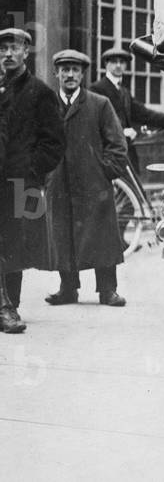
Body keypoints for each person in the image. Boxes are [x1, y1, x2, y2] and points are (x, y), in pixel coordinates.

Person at [44, 50, 129, 307]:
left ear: (82, 74)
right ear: (56, 73)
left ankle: (108, 290)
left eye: (75, 70)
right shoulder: (47, 106)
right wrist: (44, 175)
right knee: (62, 233)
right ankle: (68, 289)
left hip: (93, 183)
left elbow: (117, 144)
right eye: (65, 70)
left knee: (102, 235)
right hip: (58, 182)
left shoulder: (99, 104)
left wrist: (105, 172)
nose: (70, 75)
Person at [0, 28, 64, 334]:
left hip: (19, 182)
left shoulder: (40, 92)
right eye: (3, 49)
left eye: (14, 48)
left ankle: (9, 305)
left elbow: (54, 142)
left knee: (14, 243)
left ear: (26, 52)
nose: (8, 54)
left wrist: (31, 172)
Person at [91, 46, 164, 173]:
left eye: (122, 62)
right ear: (106, 64)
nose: (118, 65)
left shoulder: (124, 91)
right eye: (114, 62)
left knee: (133, 182)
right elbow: (96, 122)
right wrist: (121, 131)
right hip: (108, 152)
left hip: (127, 152)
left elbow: (144, 114)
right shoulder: (97, 89)